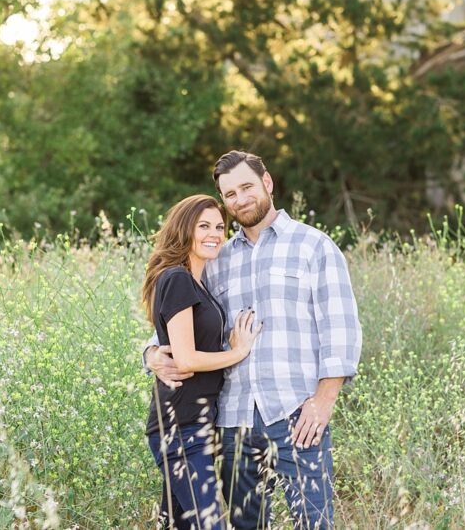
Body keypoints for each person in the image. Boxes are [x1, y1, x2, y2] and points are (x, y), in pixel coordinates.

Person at [146, 151, 362, 529]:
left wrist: (323, 402)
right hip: (234, 421)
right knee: (247, 524)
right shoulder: (217, 258)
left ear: (267, 183)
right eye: (229, 194)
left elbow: (341, 329)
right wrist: (150, 353)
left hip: (296, 414)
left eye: (246, 187)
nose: (239, 199)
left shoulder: (313, 246)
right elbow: (180, 315)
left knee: (313, 522)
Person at [142, 194, 263, 530]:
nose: (214, 233)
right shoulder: (178, 278)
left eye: (220, 227)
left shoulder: (196, 282)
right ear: (185, 230)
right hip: (181, 427)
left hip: (195, 424)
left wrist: (149, 354)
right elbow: (185, 358)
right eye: (204, 226)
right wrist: (238, 352)